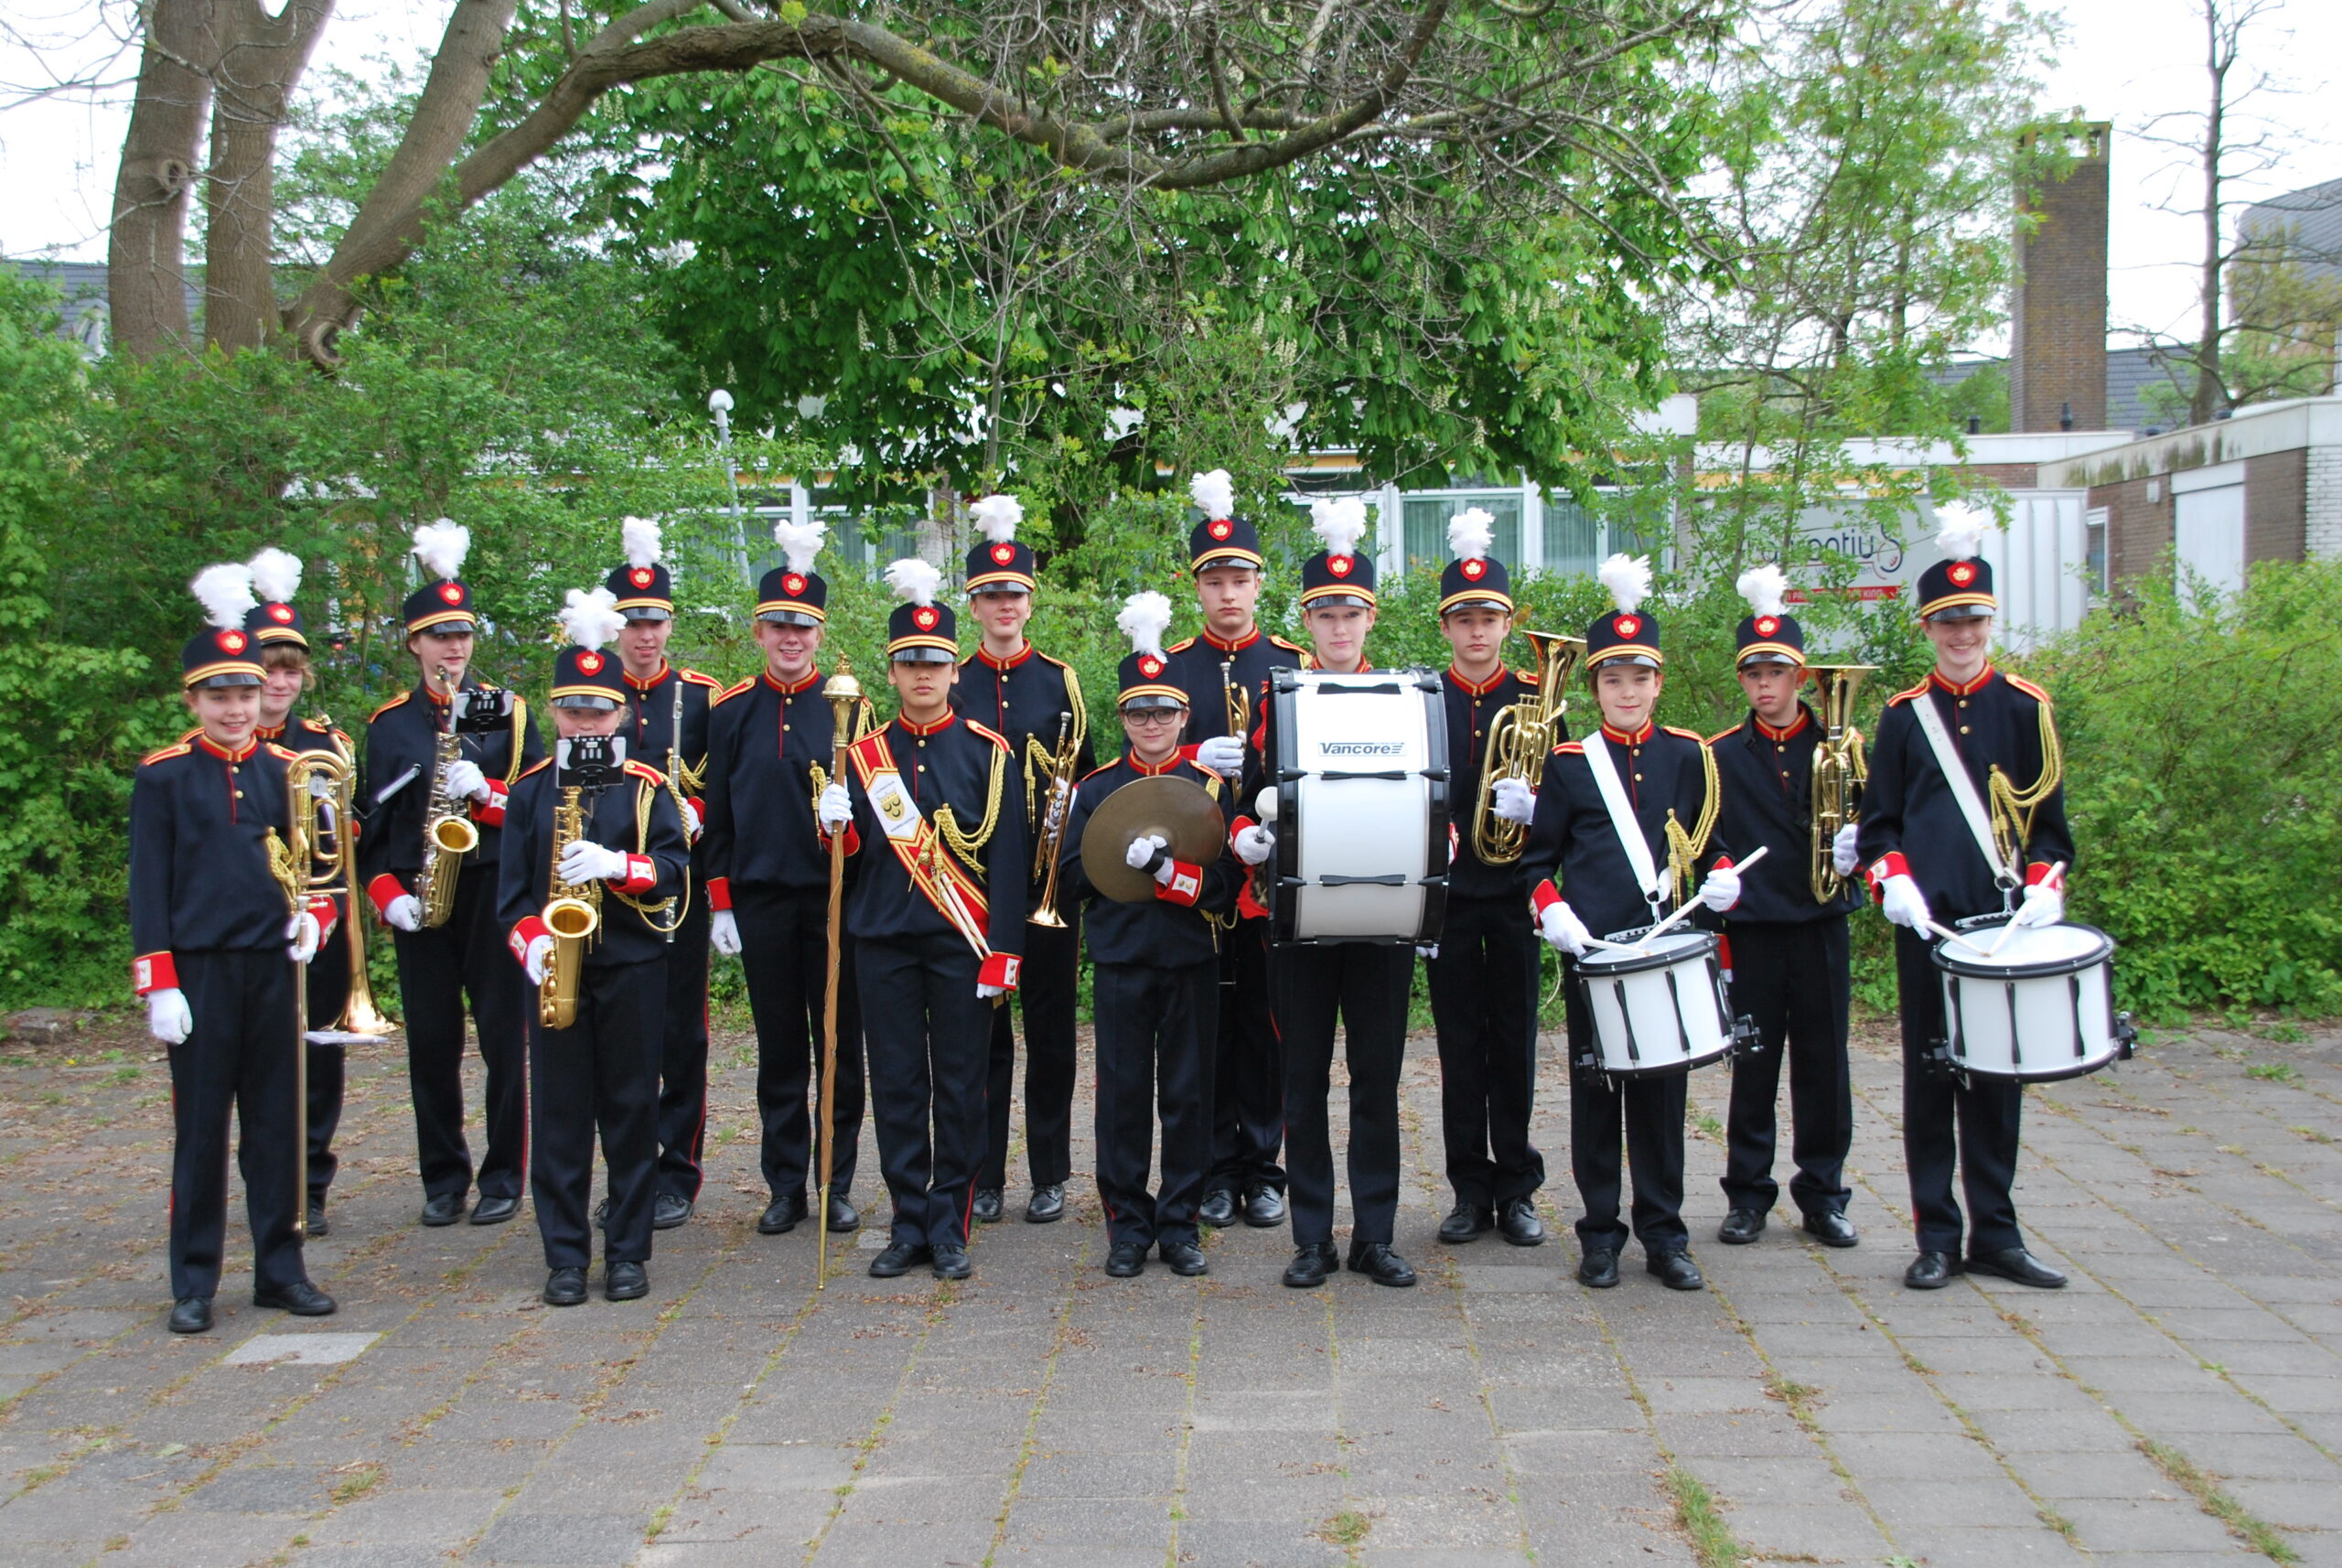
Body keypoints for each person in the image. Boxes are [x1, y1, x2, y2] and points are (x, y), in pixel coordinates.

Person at [1855, 509, 2075, 1292]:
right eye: (1948, 621)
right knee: (1931, 1075)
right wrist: (1896, 881)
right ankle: (1936, 1235)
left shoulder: (2026, 709)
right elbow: (1877, 825)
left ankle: (1999, 1234)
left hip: (2000, 927)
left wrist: (2048, 882)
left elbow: (2051, 829)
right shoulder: (1902, 718)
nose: (1962, 633)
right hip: (1931, 924)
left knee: (1998, 1078)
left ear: (1990, 620)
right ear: (1928, 627)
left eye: (1973, 619)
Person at [1519, 554, 1742, 1293]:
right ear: (1596, 689)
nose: (1627, 691)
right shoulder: (1572, 763)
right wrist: (1551, 910)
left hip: (1666, 951)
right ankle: (1600, 1234)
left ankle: (1665, 1234)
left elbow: (1712, 842)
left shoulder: (1690, 756)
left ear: (1658, 683)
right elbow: (1536, 861)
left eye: (1639, 678)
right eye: (1613, 679)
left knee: (1662, 1100)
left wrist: (1724, 878)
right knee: (1596, 1095)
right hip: (1594, 953)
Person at [132, 564, 338, 1334]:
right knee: (202, 1133)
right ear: (193, 699)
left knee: (278, 1127)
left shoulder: (289, 769)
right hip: (200, 972)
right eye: (219, 695)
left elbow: (314, 859)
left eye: (245, 693)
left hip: (275, 968)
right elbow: (149, 885)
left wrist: (315, 915)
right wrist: (160, 981)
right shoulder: (164, 777)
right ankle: (194, 1280)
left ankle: (281, 1270)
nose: (234, 708)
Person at [824, 558, 1029, 1282]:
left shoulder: (987, 753)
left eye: (934, 662)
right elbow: (847, 862)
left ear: (953, 669)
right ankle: (908, 1220)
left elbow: (1008, 861)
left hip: (961, 943)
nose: (922, 675)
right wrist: (835, 824)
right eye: (909, 663)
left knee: (962, 1085)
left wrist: (1004, 952)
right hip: (881, 938)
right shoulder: (861, 757)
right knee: (900, 1084)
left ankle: (952, 1222)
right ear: (891, 671)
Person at [1233, 497, 1418, 1289]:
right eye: (1324, 615)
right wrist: (1247, 834)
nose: (1339, 628)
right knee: (1302, 1078)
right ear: (1306, 622)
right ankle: (1312, 1237)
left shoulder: (1408, 701)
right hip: (1300, 917)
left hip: (1381, 913)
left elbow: (1427, 793)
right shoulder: (1279, 703)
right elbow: (1248, 796)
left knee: (1377, 1078)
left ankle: (1374, 1234)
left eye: (1351, 614)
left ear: (1370, 619)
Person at [499, 587, 690, 1306]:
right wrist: (532, 947)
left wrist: (619, 868)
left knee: (633, 1111)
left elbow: (674, 870)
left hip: (633, 966)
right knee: (558, 1116)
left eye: (599, 709)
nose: (585, 720)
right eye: (573, 708)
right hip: (556, 971)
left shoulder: (643, 789)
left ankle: (629, 1253)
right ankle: (565, 1257)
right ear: (553, 712)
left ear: (623, 715)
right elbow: (512, 896)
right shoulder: (527, 794)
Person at [357, 521, 544, 1229]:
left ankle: (504, 1176)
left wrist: (485, 794)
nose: (454, 648)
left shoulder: (510, 712)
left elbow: (535, 812)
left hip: (491, 890)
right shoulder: (388, 726)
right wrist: (388, 898)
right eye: (439, 636)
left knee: (504, 1040)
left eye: (463, 634)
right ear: (414, 644)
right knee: (431, 1044)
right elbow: (373, 834)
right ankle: (442, 1176)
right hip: (421, 898)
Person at [1058, 593, 1242, 1279]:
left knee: (1190, 1097)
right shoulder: (1096, 789)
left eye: (1164, 711)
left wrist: (1172, 873)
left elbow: (1227, 885)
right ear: (1123, 718)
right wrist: (1115, 856)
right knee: (1124, 1098)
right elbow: (1072, 878)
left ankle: (1182, 1225)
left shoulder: (1210, 785)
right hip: (1122, 961)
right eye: (1139, 711)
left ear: (1184, 716)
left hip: (1191, 959)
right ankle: (1127, 1228)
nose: (1152, 722)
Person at [701, 520, 871, 1238]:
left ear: (819, 633)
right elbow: (715, 812)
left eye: (802, 626)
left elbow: (875, 810)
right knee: (779, 1050)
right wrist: (719, 901)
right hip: (762, 900)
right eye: (778, 625)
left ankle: (836, 1182)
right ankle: (783, 1184)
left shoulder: (852, 706)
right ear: (758, 631)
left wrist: (848, 816)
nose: (790, 638)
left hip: (834, 900)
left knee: (838, 1045)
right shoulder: (732, 711)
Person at [1707, 565, 1863, 1251]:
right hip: (1754, 928)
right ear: (1742, 680)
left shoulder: (1842, 746)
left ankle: (1824, 1194)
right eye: (1754, 674)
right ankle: (1748, 1195)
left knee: (1825, 1064)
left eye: (1777, 671)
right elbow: (1704, 831)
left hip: (1822, 923)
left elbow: (1874, 819)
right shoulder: (1718, 754)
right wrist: (1716, 873)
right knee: (1755, 1062)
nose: (1765, 685)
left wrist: (1861, 843)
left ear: (1800, 676)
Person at [1168, 468, 1305, 1230]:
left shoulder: (1290, 664)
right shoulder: (1175, 669)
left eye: (1240, 579)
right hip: (1191, 868)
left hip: (1268, 870)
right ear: (1198, 589)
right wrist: (1194, 760)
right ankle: (1213, 1169)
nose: (1228, 594)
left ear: (1259, 584)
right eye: (1215, 580)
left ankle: (1264, 1166)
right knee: (1203, 1026)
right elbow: (1145, 762)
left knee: (1265, 1022)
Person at [955, 494, 1091, 1226]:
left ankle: (1049, 1171)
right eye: (990, 595)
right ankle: (982, 1176)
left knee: (1050, 1032)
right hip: (974, 884)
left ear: (1029, 603)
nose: (1004, 605)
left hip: (1048, 887)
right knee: (981, 1035)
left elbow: (1083, 773)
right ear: (974, 605)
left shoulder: (1060, 679)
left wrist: (1065, 866)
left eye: (1014, 593)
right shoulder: (954, 677)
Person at [1427, 510, 1546, 1249]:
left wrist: (1538, 807)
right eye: (1464, 620)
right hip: (1447, 898)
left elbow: (1566, 796)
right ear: (1446, 628)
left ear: (1507, 625)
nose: (1477, 632)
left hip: (1513, 897)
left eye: (1490, 619)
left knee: (1516, 1043)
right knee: (1456, 1046)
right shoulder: (1424, 696)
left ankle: (1519, 1185)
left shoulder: (1537, 698)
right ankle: (1469, 1187)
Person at [601, 518, 725, 1230]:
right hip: (605, 891)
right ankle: (625, 1168)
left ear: (670, 624)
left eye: (655, 621)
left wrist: (697, 810)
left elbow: (725, 785)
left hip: (679, 888)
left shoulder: (701, 697)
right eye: (631, 621)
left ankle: (677, 1168)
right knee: (617, 1038)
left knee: (682, 1033)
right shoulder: (590, 694)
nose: (644, 635)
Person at [240, 547, 360, 1239]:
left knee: (317, 1054)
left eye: (289, 668)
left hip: (315, 922)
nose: (279, 680)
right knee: (254, 1056)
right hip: (247, 927)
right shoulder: (214, 746)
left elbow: (346, 837)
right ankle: (263, 1178)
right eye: (266, 666)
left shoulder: (326, 744)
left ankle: (310, 1182)